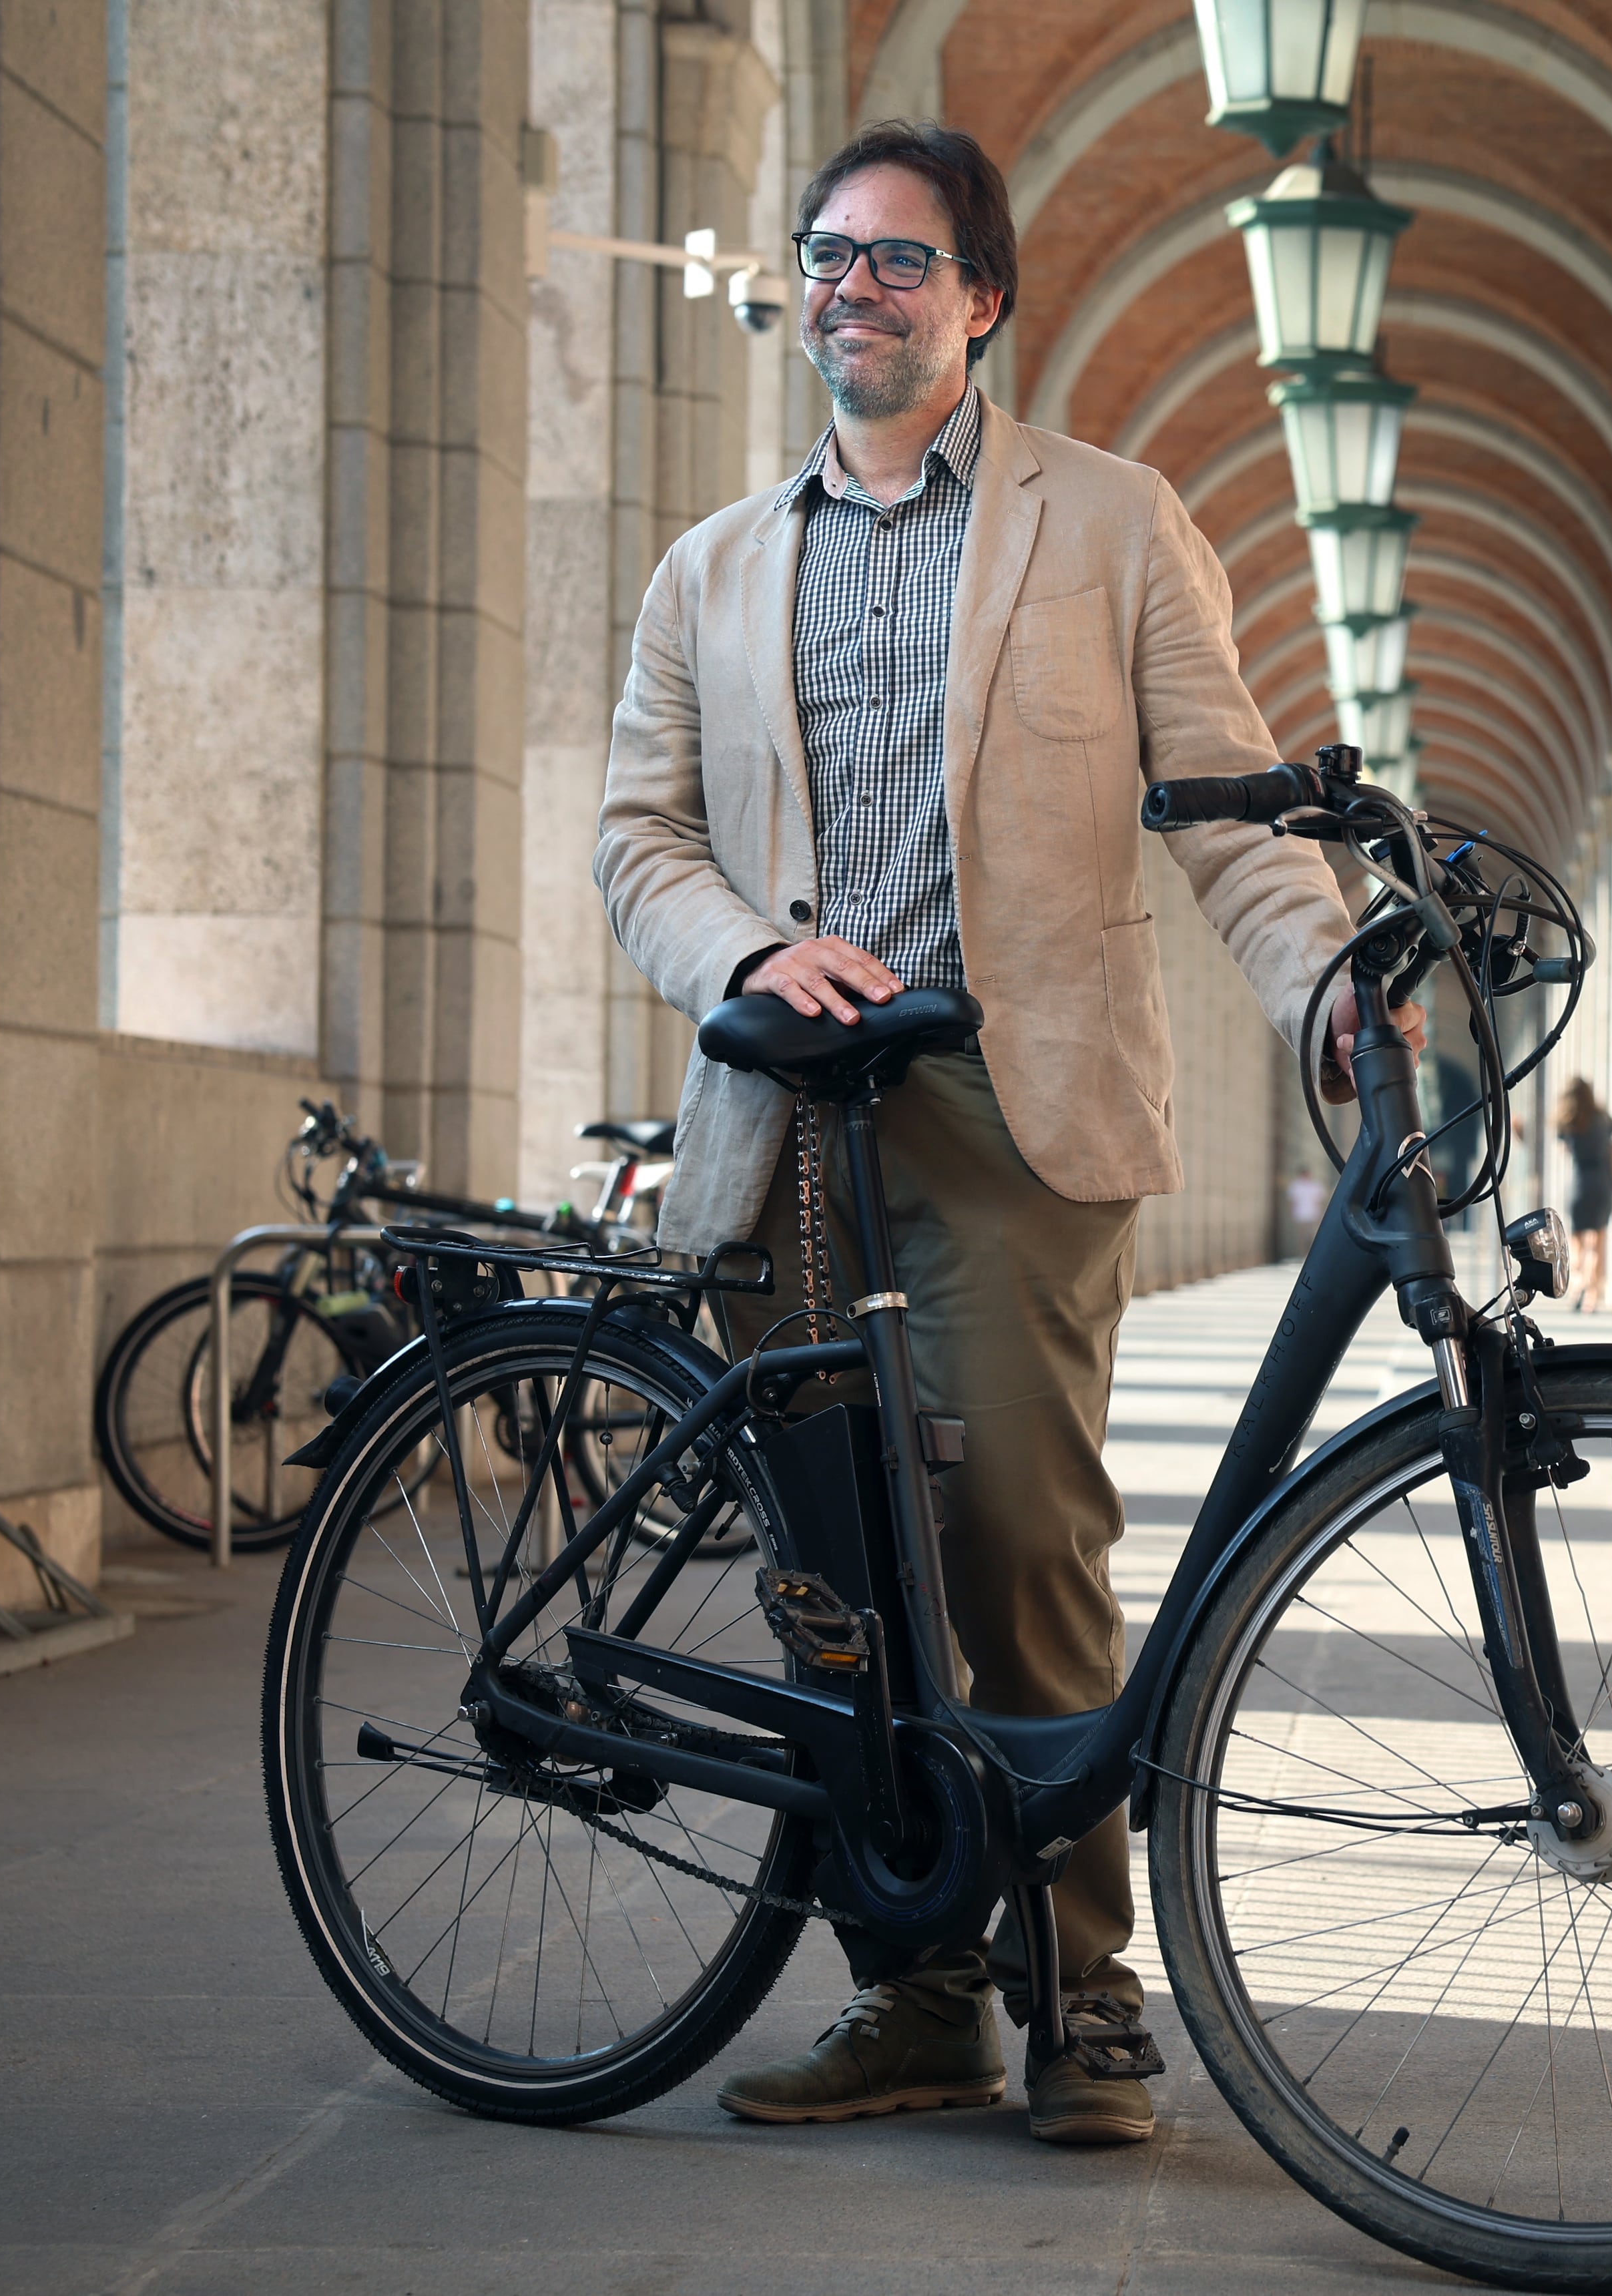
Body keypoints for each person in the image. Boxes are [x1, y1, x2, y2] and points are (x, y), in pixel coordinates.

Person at [591, 120, 1425, 2148]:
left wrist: (1327, 994)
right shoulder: (710, 566)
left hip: (1011, 1110)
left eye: (896, 261)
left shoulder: (1114, 524)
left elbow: (1226, 806)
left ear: (980, 301)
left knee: (1021, 1540)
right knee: (835, 1573)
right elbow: (639, 833)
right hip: (791, 1119)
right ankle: (916, 1991)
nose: (849, 289)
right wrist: (748, 952)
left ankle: (1083, 1993)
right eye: (826, 255)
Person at [1554, 1077, 1612, 1311]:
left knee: (1578, 1242)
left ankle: (1578, 1285)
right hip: (1602, 1183)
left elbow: (1563, 1147)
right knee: (1598, 1242)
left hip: (1579, 1184)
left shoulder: (1568, 1120)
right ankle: (1592, 1296)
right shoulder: (1602, 1118)